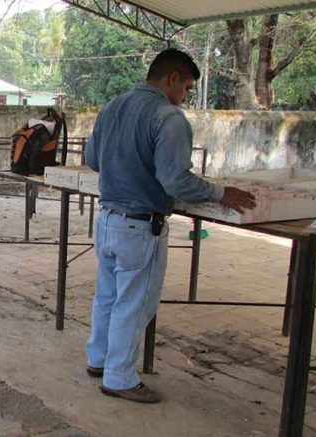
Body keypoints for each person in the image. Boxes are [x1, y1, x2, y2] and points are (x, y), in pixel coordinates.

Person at [83, 48, 257, 403]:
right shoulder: (169, 117)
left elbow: (91, 159)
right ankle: (119, 378)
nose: (186, 95)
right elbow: (176, 181)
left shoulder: (113, 105)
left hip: (107, 221)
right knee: (134, 304)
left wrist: (127, 171)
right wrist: (221, 192)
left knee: (108, 297)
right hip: (140, 225)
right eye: (187, 87)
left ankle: (99, 359)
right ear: (172, 78)